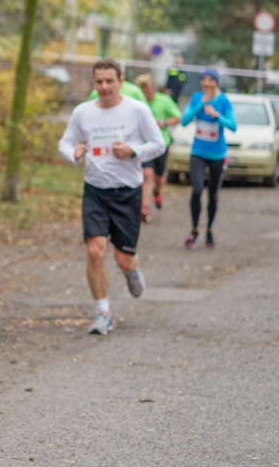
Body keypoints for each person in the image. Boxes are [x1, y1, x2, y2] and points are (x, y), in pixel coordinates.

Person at [58, 58, 165, 335]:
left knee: (123, 259)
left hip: (127, 191)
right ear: (93, 83)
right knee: (95, 251)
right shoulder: (83, 112)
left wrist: (131, 151)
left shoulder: (137, 110)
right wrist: (74, 154)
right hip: (95, 190)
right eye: (99, 82)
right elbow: (66, 142)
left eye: (109, 81)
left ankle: (131, 271)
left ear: (121, 81)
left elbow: (158, 144)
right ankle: (102, 313)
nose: (104, 87)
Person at [180, 68, 236, 249]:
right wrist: (200, 105)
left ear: (216, 82)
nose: (206, 83)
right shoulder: (197, 97)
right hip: (198, 152)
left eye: (210, 80)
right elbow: (184, 120)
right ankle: (194, 229)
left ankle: (209, 229)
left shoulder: (223, 101)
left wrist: (217, 115)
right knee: (197, 190)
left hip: (217, 154)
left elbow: (233, 125)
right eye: (203, 79)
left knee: (213, 194)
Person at [134, 74, 182, 223]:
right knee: (146, 174)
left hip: (162, 144)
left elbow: (177, 117)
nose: (145, 95)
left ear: (152, 88)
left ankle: (157, 190)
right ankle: (144, 207)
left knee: (159, 178)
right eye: (142, 92)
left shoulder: (164, 100)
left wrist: (164, 122)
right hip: (144, 145)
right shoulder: (137, 103)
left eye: (147, 91)